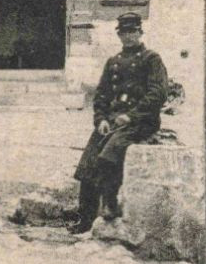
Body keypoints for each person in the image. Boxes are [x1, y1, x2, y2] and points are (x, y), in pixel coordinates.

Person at [69, 12, 169, 235]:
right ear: (119, 35)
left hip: (141, 121)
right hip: (114, 121)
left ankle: (110, 204)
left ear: (140, 33)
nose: (128, 36)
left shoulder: (151, 59)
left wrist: (132, 115)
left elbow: (158, 93)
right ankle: (84, 221)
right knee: (87, 164)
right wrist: (101, 120)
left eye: (132, 32)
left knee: (109, 153)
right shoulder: (113, 62)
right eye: (124, 32)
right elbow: (101, 95)